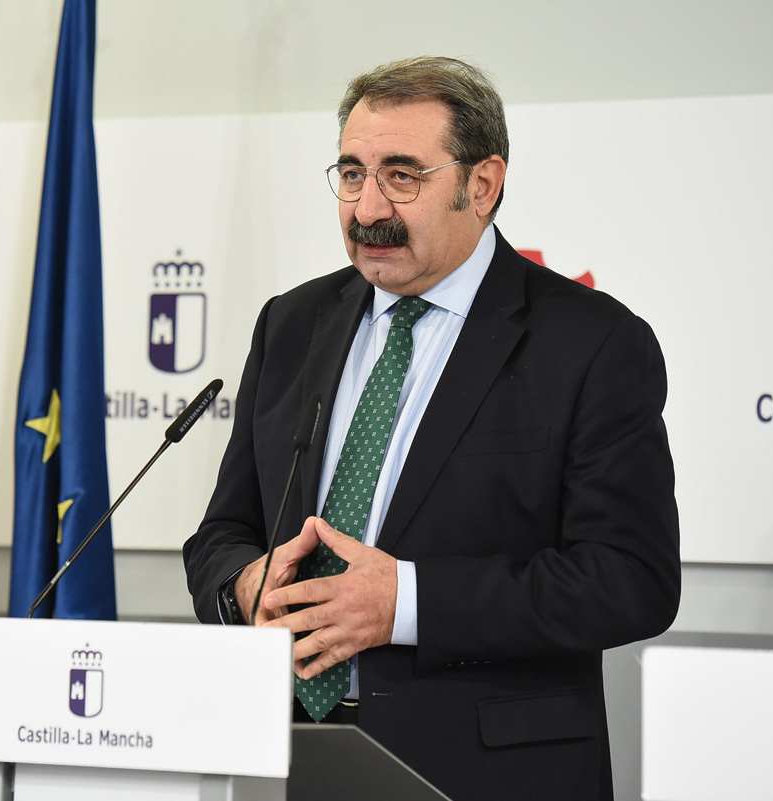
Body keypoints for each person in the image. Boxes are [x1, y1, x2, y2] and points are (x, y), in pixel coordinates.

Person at [182, 56, 680, 801]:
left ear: (481, 185)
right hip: (293, 758)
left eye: (402, 176)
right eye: (352, 174)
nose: (367, 206)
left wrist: (406, 602)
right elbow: (222, 533)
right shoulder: (292, 323)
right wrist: (246, 586)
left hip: (491, 773)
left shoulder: (591, 342)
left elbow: (631, 580)